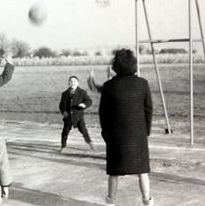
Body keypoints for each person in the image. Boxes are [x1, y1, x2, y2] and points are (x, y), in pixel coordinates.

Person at [99, 49, 154, 206]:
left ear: (116, 65)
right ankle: (147, 201)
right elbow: (148, 109)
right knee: (142, 171)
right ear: (133, 64)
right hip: (138, 134)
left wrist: (106, 135)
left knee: (114, 172)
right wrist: (146, 131)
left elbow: (103, 114)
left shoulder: (108, 86)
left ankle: (110, 202)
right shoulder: (142, 84)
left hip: (116, 136)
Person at [59, 75, 95, 153]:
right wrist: (64, 111)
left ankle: (90, 143)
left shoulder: (82, 92)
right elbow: (61, 105)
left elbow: (89, 101)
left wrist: (84, 104)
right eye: (71, 81)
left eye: (74, 81)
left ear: (78, 83)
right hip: (68, 116)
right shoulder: (64, 94)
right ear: (68, 83)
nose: (73, 82)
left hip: (78, 116)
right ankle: (63, 146)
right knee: (65, 131)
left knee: (83, 130)